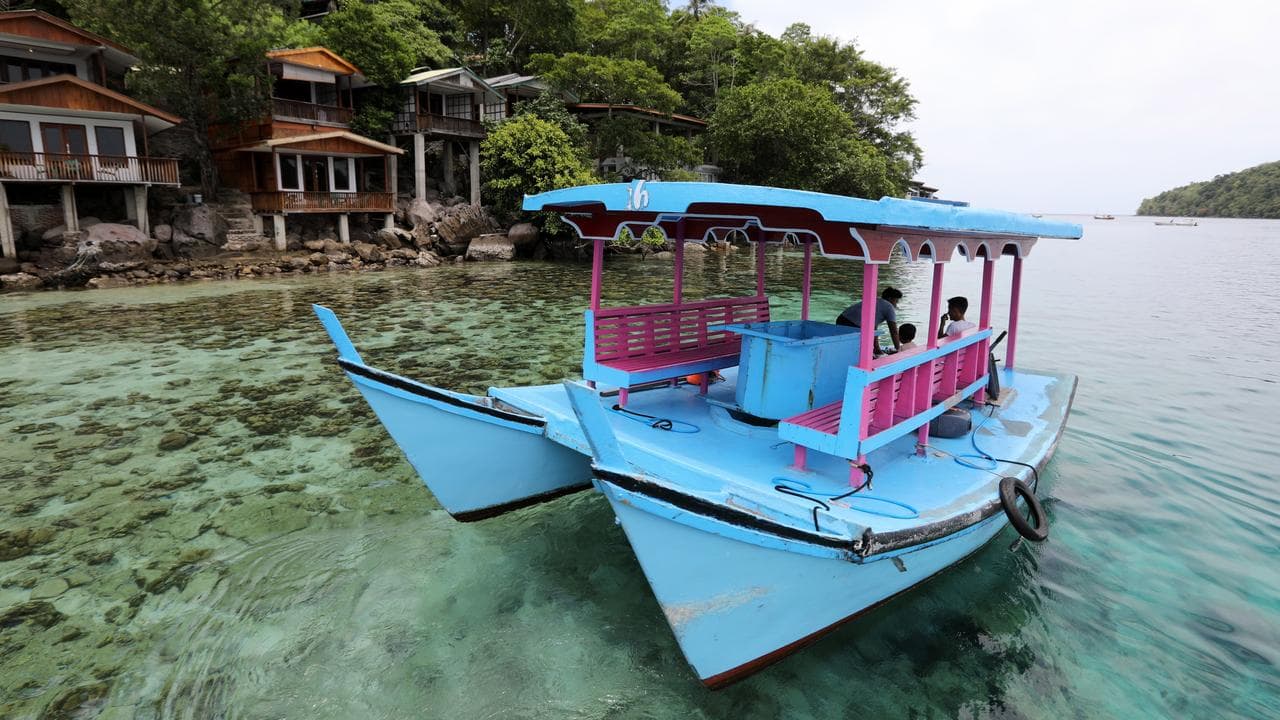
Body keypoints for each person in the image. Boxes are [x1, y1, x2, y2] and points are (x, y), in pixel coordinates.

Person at [836, 287, 902, 353]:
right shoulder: (889, 307)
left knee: (846, 346)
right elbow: (894, 331)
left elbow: (874, 329)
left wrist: (877, 348)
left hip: (841, 319)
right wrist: (898, 349)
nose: (896, 305)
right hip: (852, 324)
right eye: (896, 301)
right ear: (890, 298)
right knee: (859, 348)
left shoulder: (876, 301)